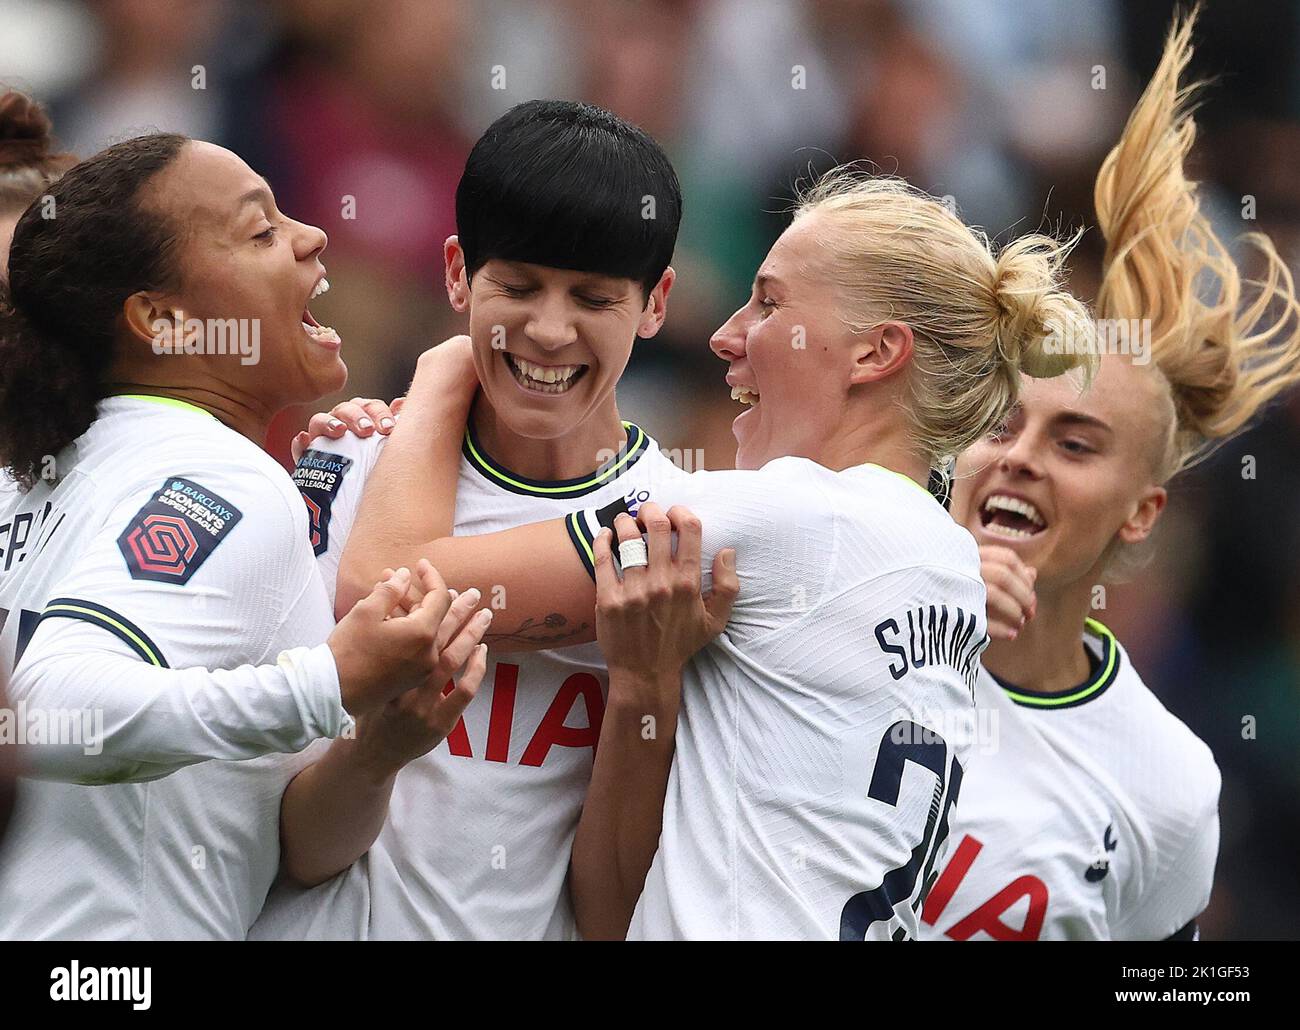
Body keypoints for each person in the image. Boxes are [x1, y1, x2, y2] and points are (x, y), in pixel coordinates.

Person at [313, 163, 1098, 939]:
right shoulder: (951, 569)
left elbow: (388, 594)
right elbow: (614, 906)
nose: (725, 335)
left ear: (874, 353)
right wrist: (642, 685)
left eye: (769, 303)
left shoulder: (793, 516)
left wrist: (444, 374)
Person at [250, 100, 728, 941]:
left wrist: (644, 687)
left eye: (593, 296)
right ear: (456, 273)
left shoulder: (675, 529)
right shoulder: (353, 461)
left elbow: (613, 914)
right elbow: (288, 843)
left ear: (656, 304)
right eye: (517, 285)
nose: (549, 330)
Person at [0, 133, 487, 939]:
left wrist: (372, 749)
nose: (313, 236)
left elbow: (287, 843)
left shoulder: (31, 474)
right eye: (260, 232)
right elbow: (49, 710)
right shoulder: (217, 477)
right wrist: (325, 683)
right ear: (164, 320)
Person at [919, 10, 1300, 941]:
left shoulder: (1166, 787)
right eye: (1001, 425)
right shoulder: (817, 631)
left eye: (1076, 444)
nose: (1019, 457)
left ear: (1143, 515)